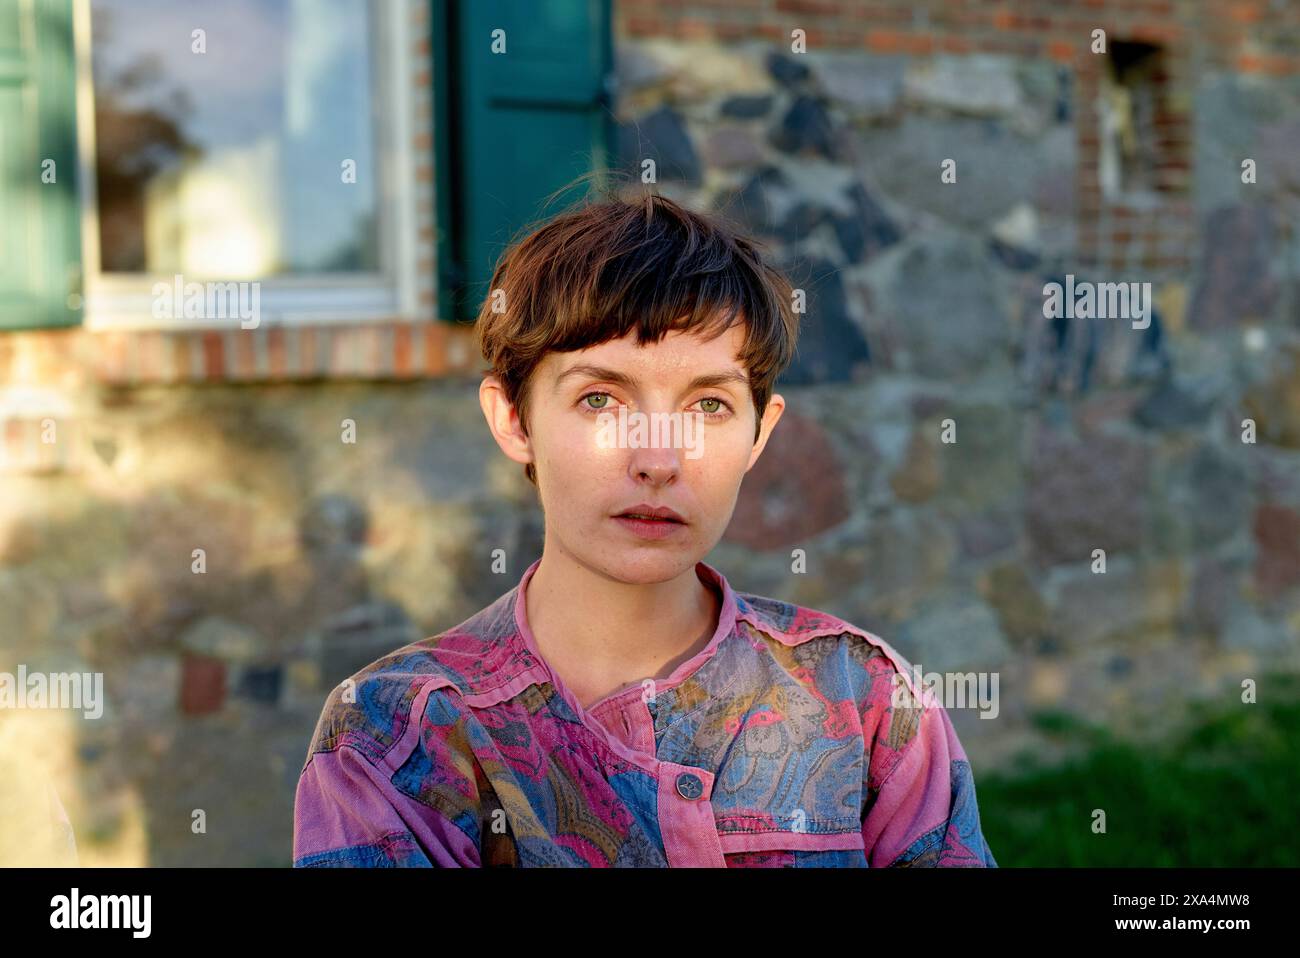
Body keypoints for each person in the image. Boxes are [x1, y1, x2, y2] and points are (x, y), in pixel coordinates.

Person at [292, 190, 997, 867]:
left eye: (709, 407)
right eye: (601, 399)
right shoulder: (393, 738)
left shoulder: (866, 699)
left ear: (760, 434)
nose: (659, 459)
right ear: (514, 419)